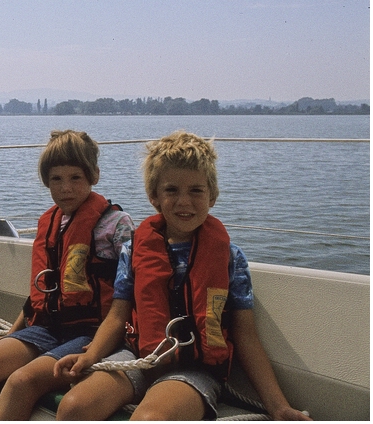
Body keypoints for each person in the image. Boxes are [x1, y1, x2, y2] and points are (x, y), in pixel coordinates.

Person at [53, 131, 312, 421]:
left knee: (148, 420)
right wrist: (90, 357)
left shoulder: (230, 258)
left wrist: (278, 406)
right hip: (139, 356)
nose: (183, 202)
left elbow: (245, 335)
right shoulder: (133, 250)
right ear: (155, 198)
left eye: (196, 191)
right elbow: (116, 317)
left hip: (195, 368)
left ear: (212, 196)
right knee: (73, 407)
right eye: (172, 190)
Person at [0, 130, 135, 420]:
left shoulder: (116, 224)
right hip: (46, 328)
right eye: (56, 179)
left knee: (21, 381)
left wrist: (102, 345)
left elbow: (128, 293)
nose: (66, 188)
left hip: (91, 333)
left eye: (76, 178)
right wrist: (10, 335)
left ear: (94, 176)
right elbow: (41, 291)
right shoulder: (50, 223)